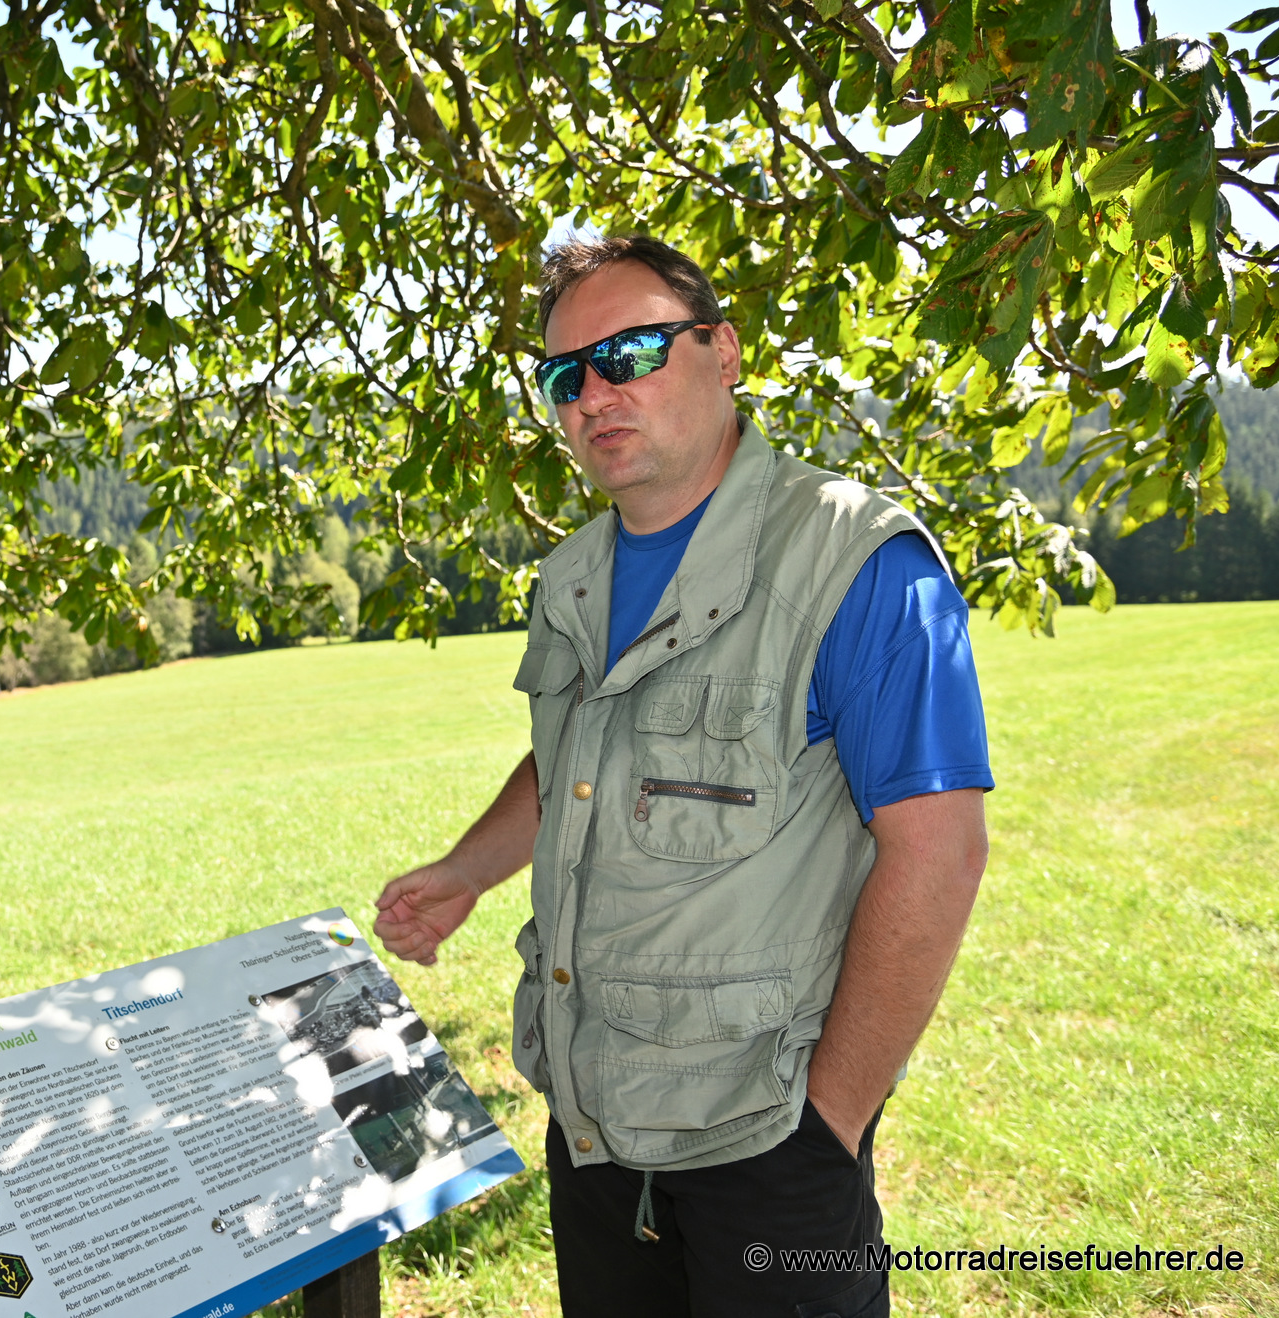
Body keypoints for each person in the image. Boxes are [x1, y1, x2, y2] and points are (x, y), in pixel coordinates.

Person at [372, 236, 992, 1318]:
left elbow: (939, 851)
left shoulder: (855, 559)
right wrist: (467, 871)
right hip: (594, 1124)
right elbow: (577, 759)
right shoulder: (574, 576)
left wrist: (831, 1120)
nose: (595, 394)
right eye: (566, 376)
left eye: (632, 352)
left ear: (725, 351)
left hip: (770, 1138)